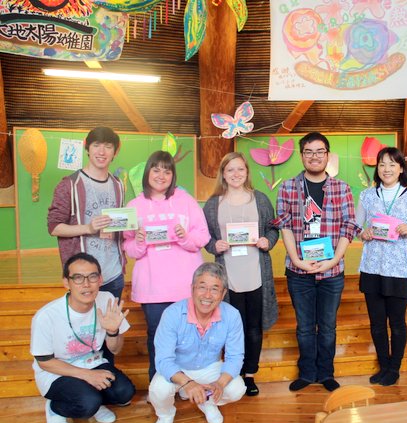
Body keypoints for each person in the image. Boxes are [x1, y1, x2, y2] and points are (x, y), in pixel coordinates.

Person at [273, 132, 360, 392]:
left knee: (328, 326)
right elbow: (284, 226)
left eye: (319, 151)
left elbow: (349, 226)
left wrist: (334, 259)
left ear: (327, 155)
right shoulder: (288, 187)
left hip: (332, 271)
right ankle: (307, 373)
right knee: (304, 327)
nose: (314, 156)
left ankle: (326, 374)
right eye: (309, 151)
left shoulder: (341, 188)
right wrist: (297, 261)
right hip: (298, 271)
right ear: (302, 156)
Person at [123, 150, 209, 382]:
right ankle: (159, 384)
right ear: (147, 172)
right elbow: (128, 246)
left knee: (188, 336)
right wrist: (139, 241)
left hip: (186, 285)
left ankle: (188, 383)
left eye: (167, 170)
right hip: (153, 288)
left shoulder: (185, 200)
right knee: (157, 337)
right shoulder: (134, 205)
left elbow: (203, 236)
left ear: (173, 175)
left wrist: (184, 237)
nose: (161, 175)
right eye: (156, 169)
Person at [30, 252, 135, 423]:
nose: (86, 284)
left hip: (93, 362)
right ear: (66, 282)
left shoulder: (106, 299)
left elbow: (116, 349)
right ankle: (56, 408)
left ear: (100, 279)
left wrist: (113, 331)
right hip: (56, 372)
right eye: (78, 278)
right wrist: (88, 376)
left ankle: (93, 399)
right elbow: (44, 362)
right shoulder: (46, 316)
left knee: (125, 393)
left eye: (92, 276)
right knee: (87, 403)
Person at [203, 152, 279, 397]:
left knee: (254, 328)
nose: (236, 174)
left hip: (256, 274)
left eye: (240, 169)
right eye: (230, 170)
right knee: (230, 328)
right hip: (228, 277)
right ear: (223, 174)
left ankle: (250, 374)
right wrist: (215, 245)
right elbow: (206, 237)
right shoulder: (214, 203)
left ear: (247, 172)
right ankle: (232, 373)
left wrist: (269, 240)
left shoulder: (261, 199)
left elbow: (273, 229)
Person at [148, 262, 247, 423]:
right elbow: (163, 360)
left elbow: (235, 357)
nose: (207, 295)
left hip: (210, 367)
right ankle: (165, 416)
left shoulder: (232, 315)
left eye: (215, 289)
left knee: (236, 389)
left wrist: (220, 384)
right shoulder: (172, 314)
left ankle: (208, 402)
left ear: (223, 293)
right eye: (202, 287)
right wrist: (188, 383)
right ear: (192, 288)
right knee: (157, 389)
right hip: (178, 368)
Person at [357, 147, 407, 386]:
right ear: (377, 168)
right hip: (372, 267)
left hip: (399, 269)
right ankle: (384, 366)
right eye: (382, 164)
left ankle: (394, 368)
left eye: (392, 164)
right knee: (377, 323)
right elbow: (356, 226)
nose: (386, 169)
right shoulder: (367, 196)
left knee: (397, 322)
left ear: (401, 168)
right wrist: (363, 233)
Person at [47, 126, 126, 301]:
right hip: (83, 278)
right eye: (96, 145)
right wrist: (88, 228)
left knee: (111, 327)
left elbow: (118, 225)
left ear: (115, 151)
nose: (102, 152)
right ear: (87, 147)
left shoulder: (118, 185)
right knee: (86, 326)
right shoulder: (69, 184)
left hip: (114, 274)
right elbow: (54, 227)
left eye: (108, 146)